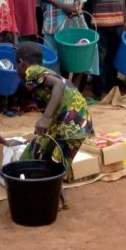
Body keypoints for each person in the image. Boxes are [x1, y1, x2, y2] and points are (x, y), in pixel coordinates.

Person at [16, 42, 94, 209]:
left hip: (68, 123)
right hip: (81, 123)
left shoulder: (32, 70)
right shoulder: (46, 73)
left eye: (16, 66)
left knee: (34, 158)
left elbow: (58, 86)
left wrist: (45, 118)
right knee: (55, 164)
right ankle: (60, 200)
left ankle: (33, 199)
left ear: (21, 62)